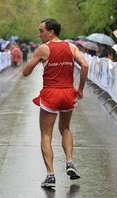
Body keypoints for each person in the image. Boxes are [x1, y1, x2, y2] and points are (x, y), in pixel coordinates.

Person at [22, 18, 88, 188]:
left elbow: (25, 72)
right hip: (68, 93)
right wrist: (80, 89)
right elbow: (85, 65)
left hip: (51, 93)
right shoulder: (71, 47)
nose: (39, 34)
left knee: (46, 135)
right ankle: (70, 162)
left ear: (51, 32)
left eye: (41, 31)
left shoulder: (43, 49)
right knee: (65, 128)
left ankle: (50, 175)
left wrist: (37, 61)